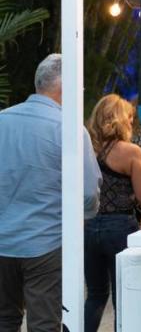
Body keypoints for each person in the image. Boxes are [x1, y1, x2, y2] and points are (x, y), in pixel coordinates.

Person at [0, 54, 101, 332]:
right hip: (45, 244)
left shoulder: (2, 120)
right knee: (44, 324)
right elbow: (88, 193)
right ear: (65, 89)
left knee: (4, 320)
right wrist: (81, 219)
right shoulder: (69, 129)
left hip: (2, 243)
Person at [84, 94, 141, 332]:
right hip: (120, 229)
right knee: (124, 297)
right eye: (129, 118)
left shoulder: (85, 150)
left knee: (96, 295)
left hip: (89, 227)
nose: (131, 123)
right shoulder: (130, 152)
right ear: (118, 119)